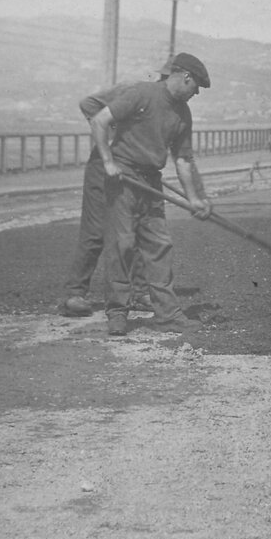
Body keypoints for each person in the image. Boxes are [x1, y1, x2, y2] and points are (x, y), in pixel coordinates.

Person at [88, 52, 214, 336]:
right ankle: (118, 314)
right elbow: (99, 121)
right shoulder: (143, 94)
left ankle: (167, 314)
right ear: (186, 77)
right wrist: (108, 161)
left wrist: (193, 198)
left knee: (160, 246)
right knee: (122, 245)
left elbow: (183, 159)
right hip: (123, 179)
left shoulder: (183, 113)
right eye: (197, 88)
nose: (196, 94)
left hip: (150, 183)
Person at [59, 73, 160, 318]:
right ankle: (75, 293)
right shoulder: (135, 89)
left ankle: (139, 292)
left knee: (132, 228)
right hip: (105, 167)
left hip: (132, 168)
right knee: (95, 231)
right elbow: (88, 104)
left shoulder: (163, 102)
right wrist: (112, 141)